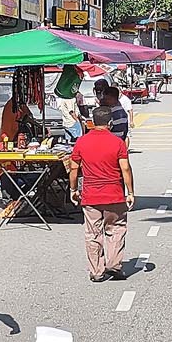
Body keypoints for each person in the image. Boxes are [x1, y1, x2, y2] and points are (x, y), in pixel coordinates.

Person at [66, 106, 135, 282]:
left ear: (92, 122)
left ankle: (97, 271)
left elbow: (74, 169)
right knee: (116, 229)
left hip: (91, 196)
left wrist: (73, 190)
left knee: (92, 233)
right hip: (114, 195)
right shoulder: (118, 143)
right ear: (110, 124)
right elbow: (125, 168)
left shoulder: (82, 142)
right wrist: (130, 192)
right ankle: (114, 264)